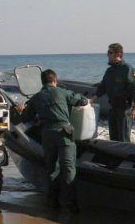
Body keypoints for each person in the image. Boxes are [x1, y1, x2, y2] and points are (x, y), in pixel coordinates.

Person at [18, 69, 90, 211]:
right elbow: (81, 100)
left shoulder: (37, 97)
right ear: (55, 80)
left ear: (42, 82)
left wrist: (21, 110)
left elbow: (26, 117)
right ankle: (71, 203)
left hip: (47, 134)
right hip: (64, 133)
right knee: (68, 167)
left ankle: (53, 202)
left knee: (52, 168)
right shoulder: (62, 92)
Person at [92, 43, 135, 142]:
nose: (108, 55)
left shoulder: (127, 69)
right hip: (113, 107)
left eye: (110, 52)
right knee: (113, 138)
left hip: (124, 109)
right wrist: (91, 99)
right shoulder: (109, 71)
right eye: (107, 52)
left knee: (123, 138)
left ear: (118, 54)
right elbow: (103, 87)